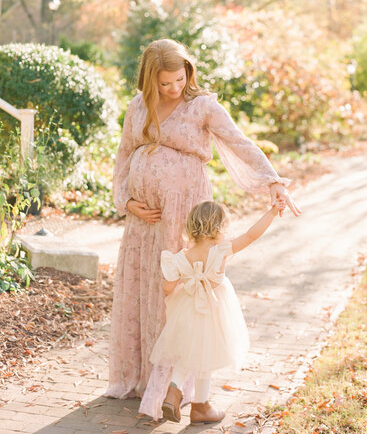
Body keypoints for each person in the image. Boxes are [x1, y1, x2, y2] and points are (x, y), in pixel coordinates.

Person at [104, 38, 300, 413]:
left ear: (188, 73)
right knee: (146, 285)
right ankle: (145, 379)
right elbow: (124, 156)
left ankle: (171, 386)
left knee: (180, 293)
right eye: (164, 83)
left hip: (183, 211)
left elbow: (239, 142)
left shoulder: (203, 107)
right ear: (149, 80)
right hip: (143, 220)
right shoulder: (138, 107)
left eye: (179, 79)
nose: (173, 88)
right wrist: (127, 201)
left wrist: (272, 181)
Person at [139, 198, 287, 423]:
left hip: (187, 310)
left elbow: (167, 288)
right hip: (215, 310)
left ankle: (174, 391)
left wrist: (180, 287)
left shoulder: (180, 257)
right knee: (205, 355)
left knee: (188, 354)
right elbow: (251, 235)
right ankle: (200, 406)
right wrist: (272, 212)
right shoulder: (220, 250)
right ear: (219, 227)